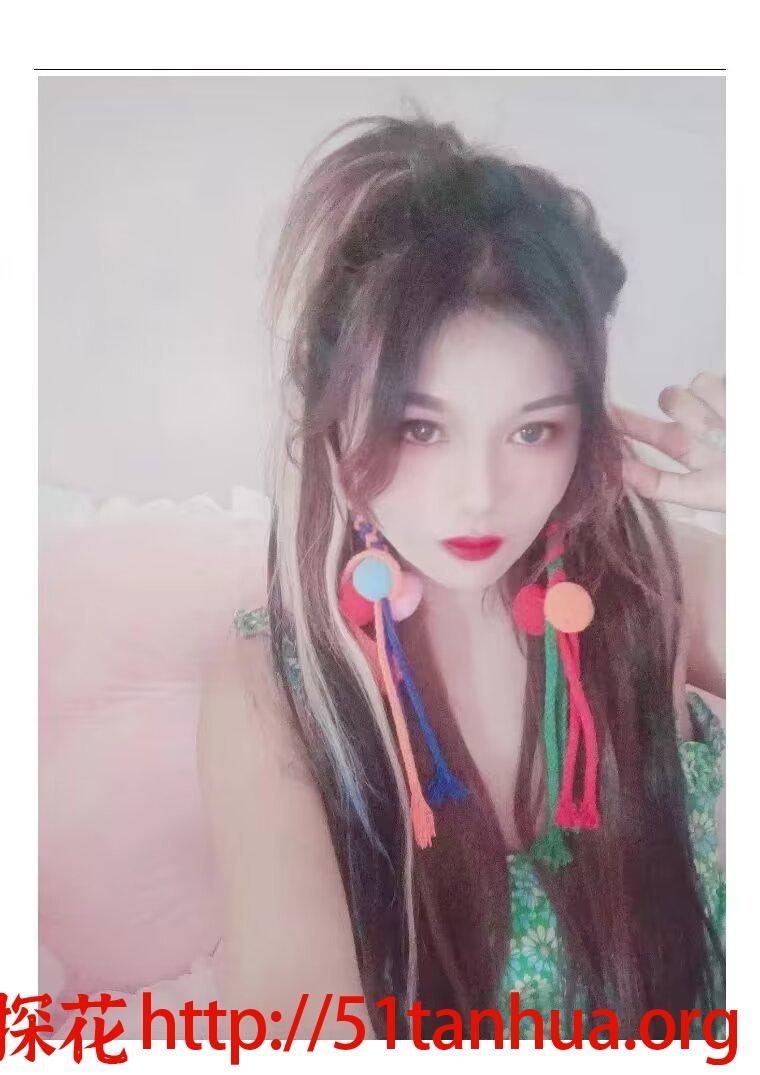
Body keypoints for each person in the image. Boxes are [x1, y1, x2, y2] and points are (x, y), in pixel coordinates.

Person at [197, 114, 725, 1042]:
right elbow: (293, 1022)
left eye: (532, 429)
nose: (479, 495)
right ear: (329, 417)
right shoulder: (279, 689)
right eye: (421, 428)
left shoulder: (659, 583)